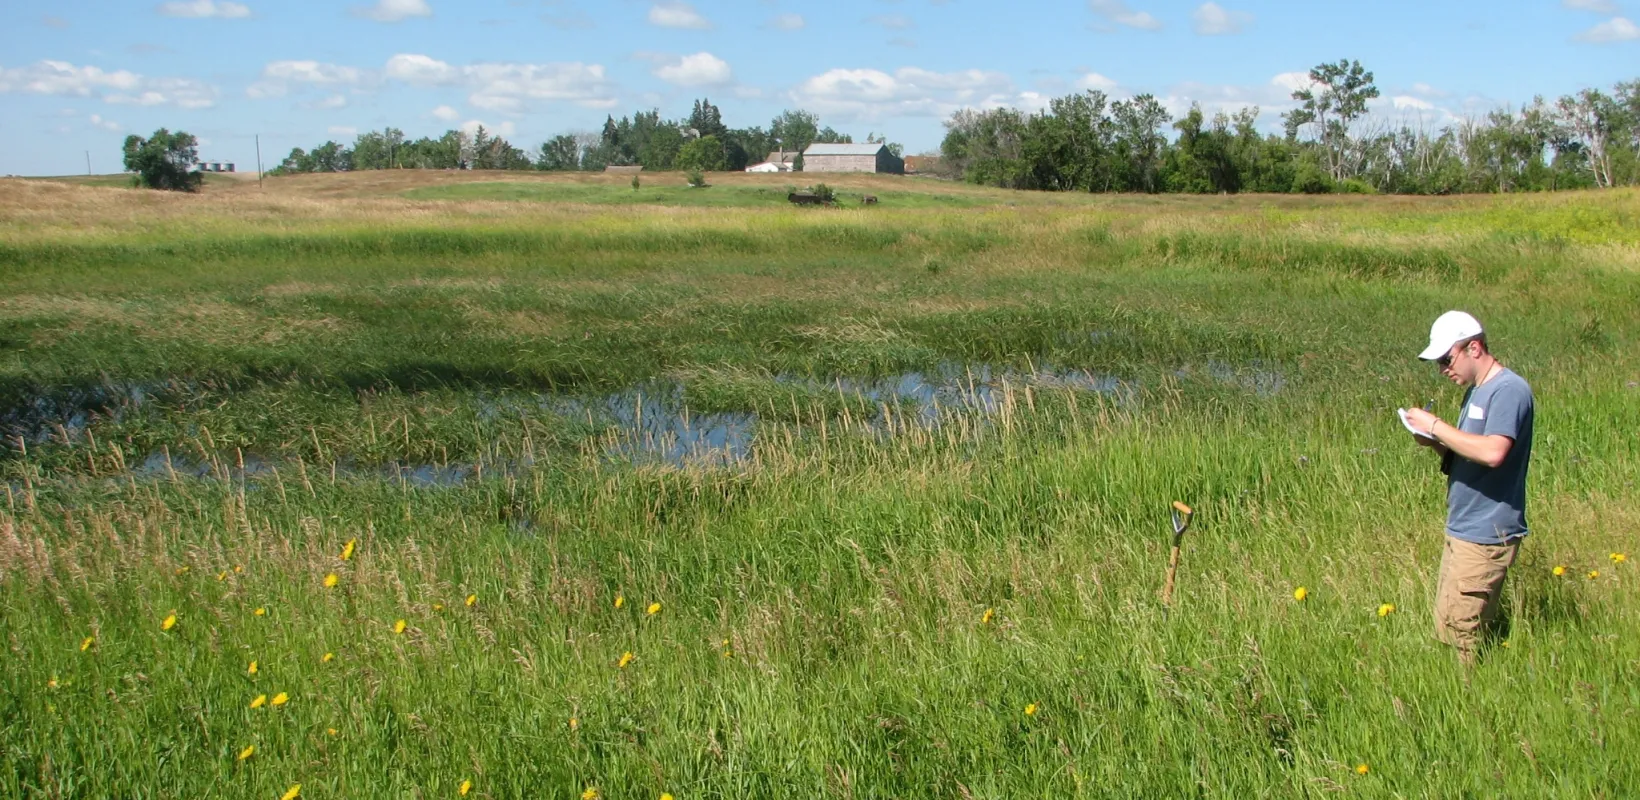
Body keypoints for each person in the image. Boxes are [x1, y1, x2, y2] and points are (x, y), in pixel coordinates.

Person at [1403, 311, 1534, 665]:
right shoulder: (1476, 392)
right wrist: (1433, 441)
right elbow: (1471, 453)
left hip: (1487, 532)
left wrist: (1436, 424)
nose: (1444, 370)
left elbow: (1493, 452)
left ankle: (1468, 701)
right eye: (1438, 364)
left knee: (1463, 634)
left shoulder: (1509, 391)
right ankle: (1453, 695)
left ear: (1473, 348)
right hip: (1463, 525)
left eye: (1447, 360)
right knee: (1447, 624)